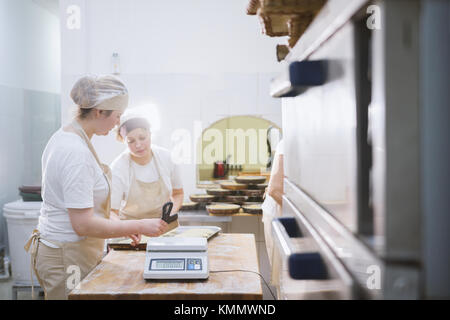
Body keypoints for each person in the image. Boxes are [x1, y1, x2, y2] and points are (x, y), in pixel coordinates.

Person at [24, 75, 168, 300]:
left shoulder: (69, 137)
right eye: (117, 116)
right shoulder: (75, 152)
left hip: (70, 250)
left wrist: (118, 225)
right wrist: (139, 224)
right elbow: (82, 224)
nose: (117, 125)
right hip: (66, 256)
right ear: (100, 112)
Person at [110, 113, 183, 233]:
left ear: (150, 134)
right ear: (124, 141)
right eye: (131, 141)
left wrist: (169, 215)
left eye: (142, 138)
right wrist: (124, 230)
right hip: (133, 233)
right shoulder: (118, 168)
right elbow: (112, 212)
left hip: (165, 229)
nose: (138, 145)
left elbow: (178, 193)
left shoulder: (166, 157)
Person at [261, 138, 284, 293]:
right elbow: (275, 189)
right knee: (282, 277)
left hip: (280, 212)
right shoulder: (287, 143)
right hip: (277, 213)